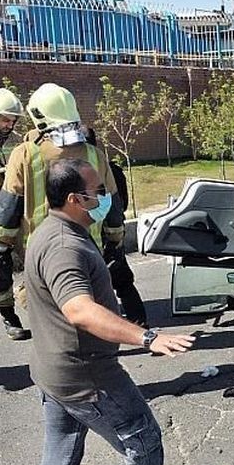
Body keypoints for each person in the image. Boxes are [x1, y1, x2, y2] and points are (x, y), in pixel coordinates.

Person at [25, 158, 204, 465]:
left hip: (54, 372)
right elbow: (80, 310)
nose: (105, 196)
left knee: (59, 454)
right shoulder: (66, 246)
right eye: (97, 190)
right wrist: (148, 338)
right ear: (75, 199)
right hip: (87, 373)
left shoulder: (50, 229)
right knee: (142, 438)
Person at [0, 83, 126, 315]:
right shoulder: (95, 155)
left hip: (41, 248)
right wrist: (115, 240)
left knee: (52, 313)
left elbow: (9, 206)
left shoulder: (24, 154)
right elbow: (113, 204)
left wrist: (1, 245)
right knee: (87, 303)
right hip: (88, 244)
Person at [80, 125, 148, 327]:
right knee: (122, 279)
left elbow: (114, 205)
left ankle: (107, 326)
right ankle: (138, 320)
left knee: (94, 286)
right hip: (112, 233)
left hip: (95, 236)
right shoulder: (111, 169)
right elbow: (122, 204)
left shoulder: (84, 174)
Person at [0, 87, 29, 340]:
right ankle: (8, 317)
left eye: (12, 120)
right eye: (5, 119)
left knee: (10, 266)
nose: (9, 125)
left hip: (4, 216)